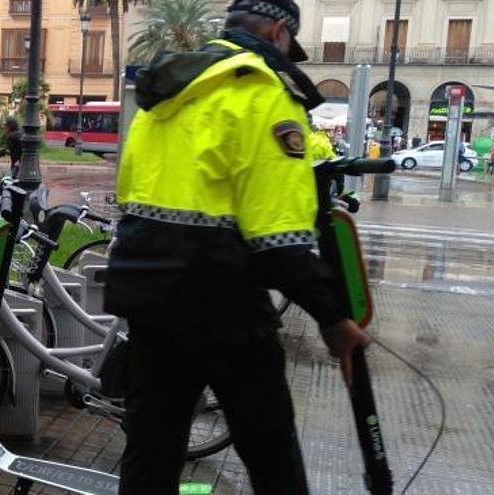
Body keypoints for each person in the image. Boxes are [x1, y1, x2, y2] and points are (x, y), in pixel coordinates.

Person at [105, 1, 371, 493]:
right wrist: (334, 319)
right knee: (271, 454)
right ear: (277, 33)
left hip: (148, 295)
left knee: (150, 452)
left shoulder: (168, 91)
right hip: (223, 304)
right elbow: (279, 243)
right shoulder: (261, 91)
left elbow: (131, 196)